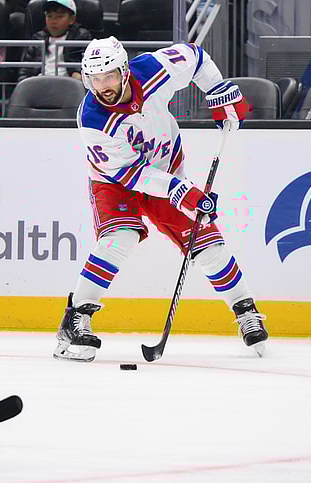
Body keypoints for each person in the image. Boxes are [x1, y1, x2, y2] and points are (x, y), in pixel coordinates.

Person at [53, 36, 268, 363]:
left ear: (124, 71)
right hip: (115, 182)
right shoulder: (93, 119)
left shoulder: (154, 69)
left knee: (206, 242)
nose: (103, 86)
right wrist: (181, 191)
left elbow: (196, 56)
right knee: (119, 238)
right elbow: (130, 174)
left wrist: (217, 90)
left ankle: (246, 311)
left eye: (109, 76)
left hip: (165, 170)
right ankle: (76, 318)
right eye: (95, 79)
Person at [17, 0, 90, 82]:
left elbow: (87, 65)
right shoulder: (38, 38)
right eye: (49, 16)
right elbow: (26, 69)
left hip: (69, 84)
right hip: (39, 83)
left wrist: (77, 73)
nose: (53, 21)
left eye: (59, 16)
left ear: (71, 19)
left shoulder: (81, 37)